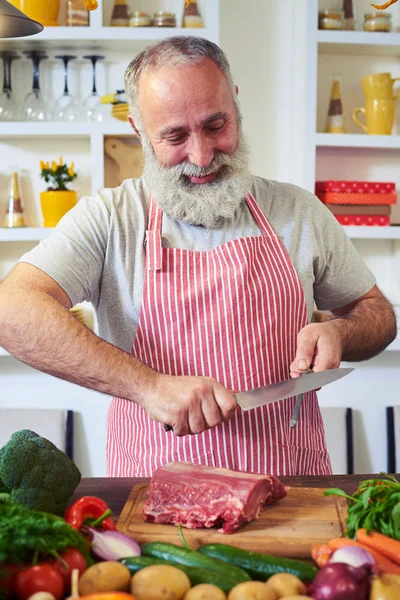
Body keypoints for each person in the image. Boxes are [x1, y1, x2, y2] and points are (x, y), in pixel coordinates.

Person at [0, 37, 396, 478]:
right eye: (175, 136)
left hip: (293, 492)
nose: (202, 156)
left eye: (215, 125)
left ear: (236, 105)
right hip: (154, 500)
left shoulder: (299, 212)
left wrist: (341, 332)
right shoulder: (111, 218)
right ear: (139, 131)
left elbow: (377, 314)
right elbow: (10, 311)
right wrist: (146, 386)